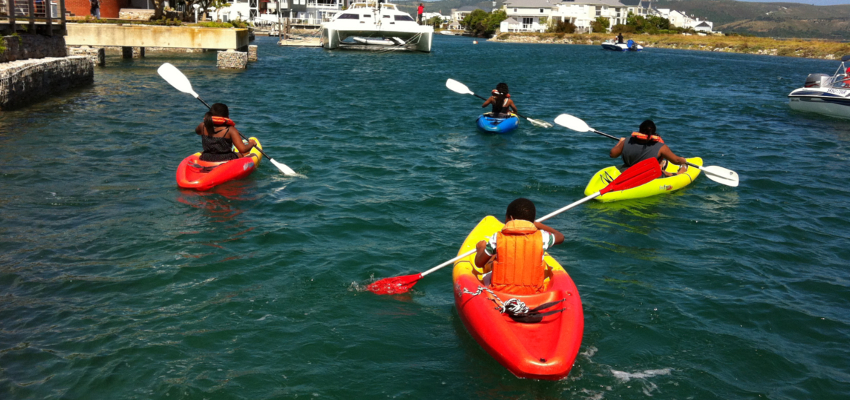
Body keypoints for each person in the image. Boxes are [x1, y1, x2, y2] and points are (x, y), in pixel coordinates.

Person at [474, 198, 565, 295]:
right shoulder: (543, 237)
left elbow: (479, 263)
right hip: (533, 292)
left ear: (511, 218)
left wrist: (481, 248)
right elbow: (560, 237)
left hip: (501, 292)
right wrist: (539, 225)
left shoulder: (497, 237)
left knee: (491, 262)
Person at [609, 120, 687, 177]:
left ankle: (661, 166)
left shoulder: (627, 141)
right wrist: (683, 160)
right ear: (654, 132)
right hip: (648, 176)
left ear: (639, 130)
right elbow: (676, 160)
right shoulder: (661, 147)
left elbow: (612, 155)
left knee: (658, 167)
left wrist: (621, 142)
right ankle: (680, 172)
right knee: (666, 173)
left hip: (627, 171)